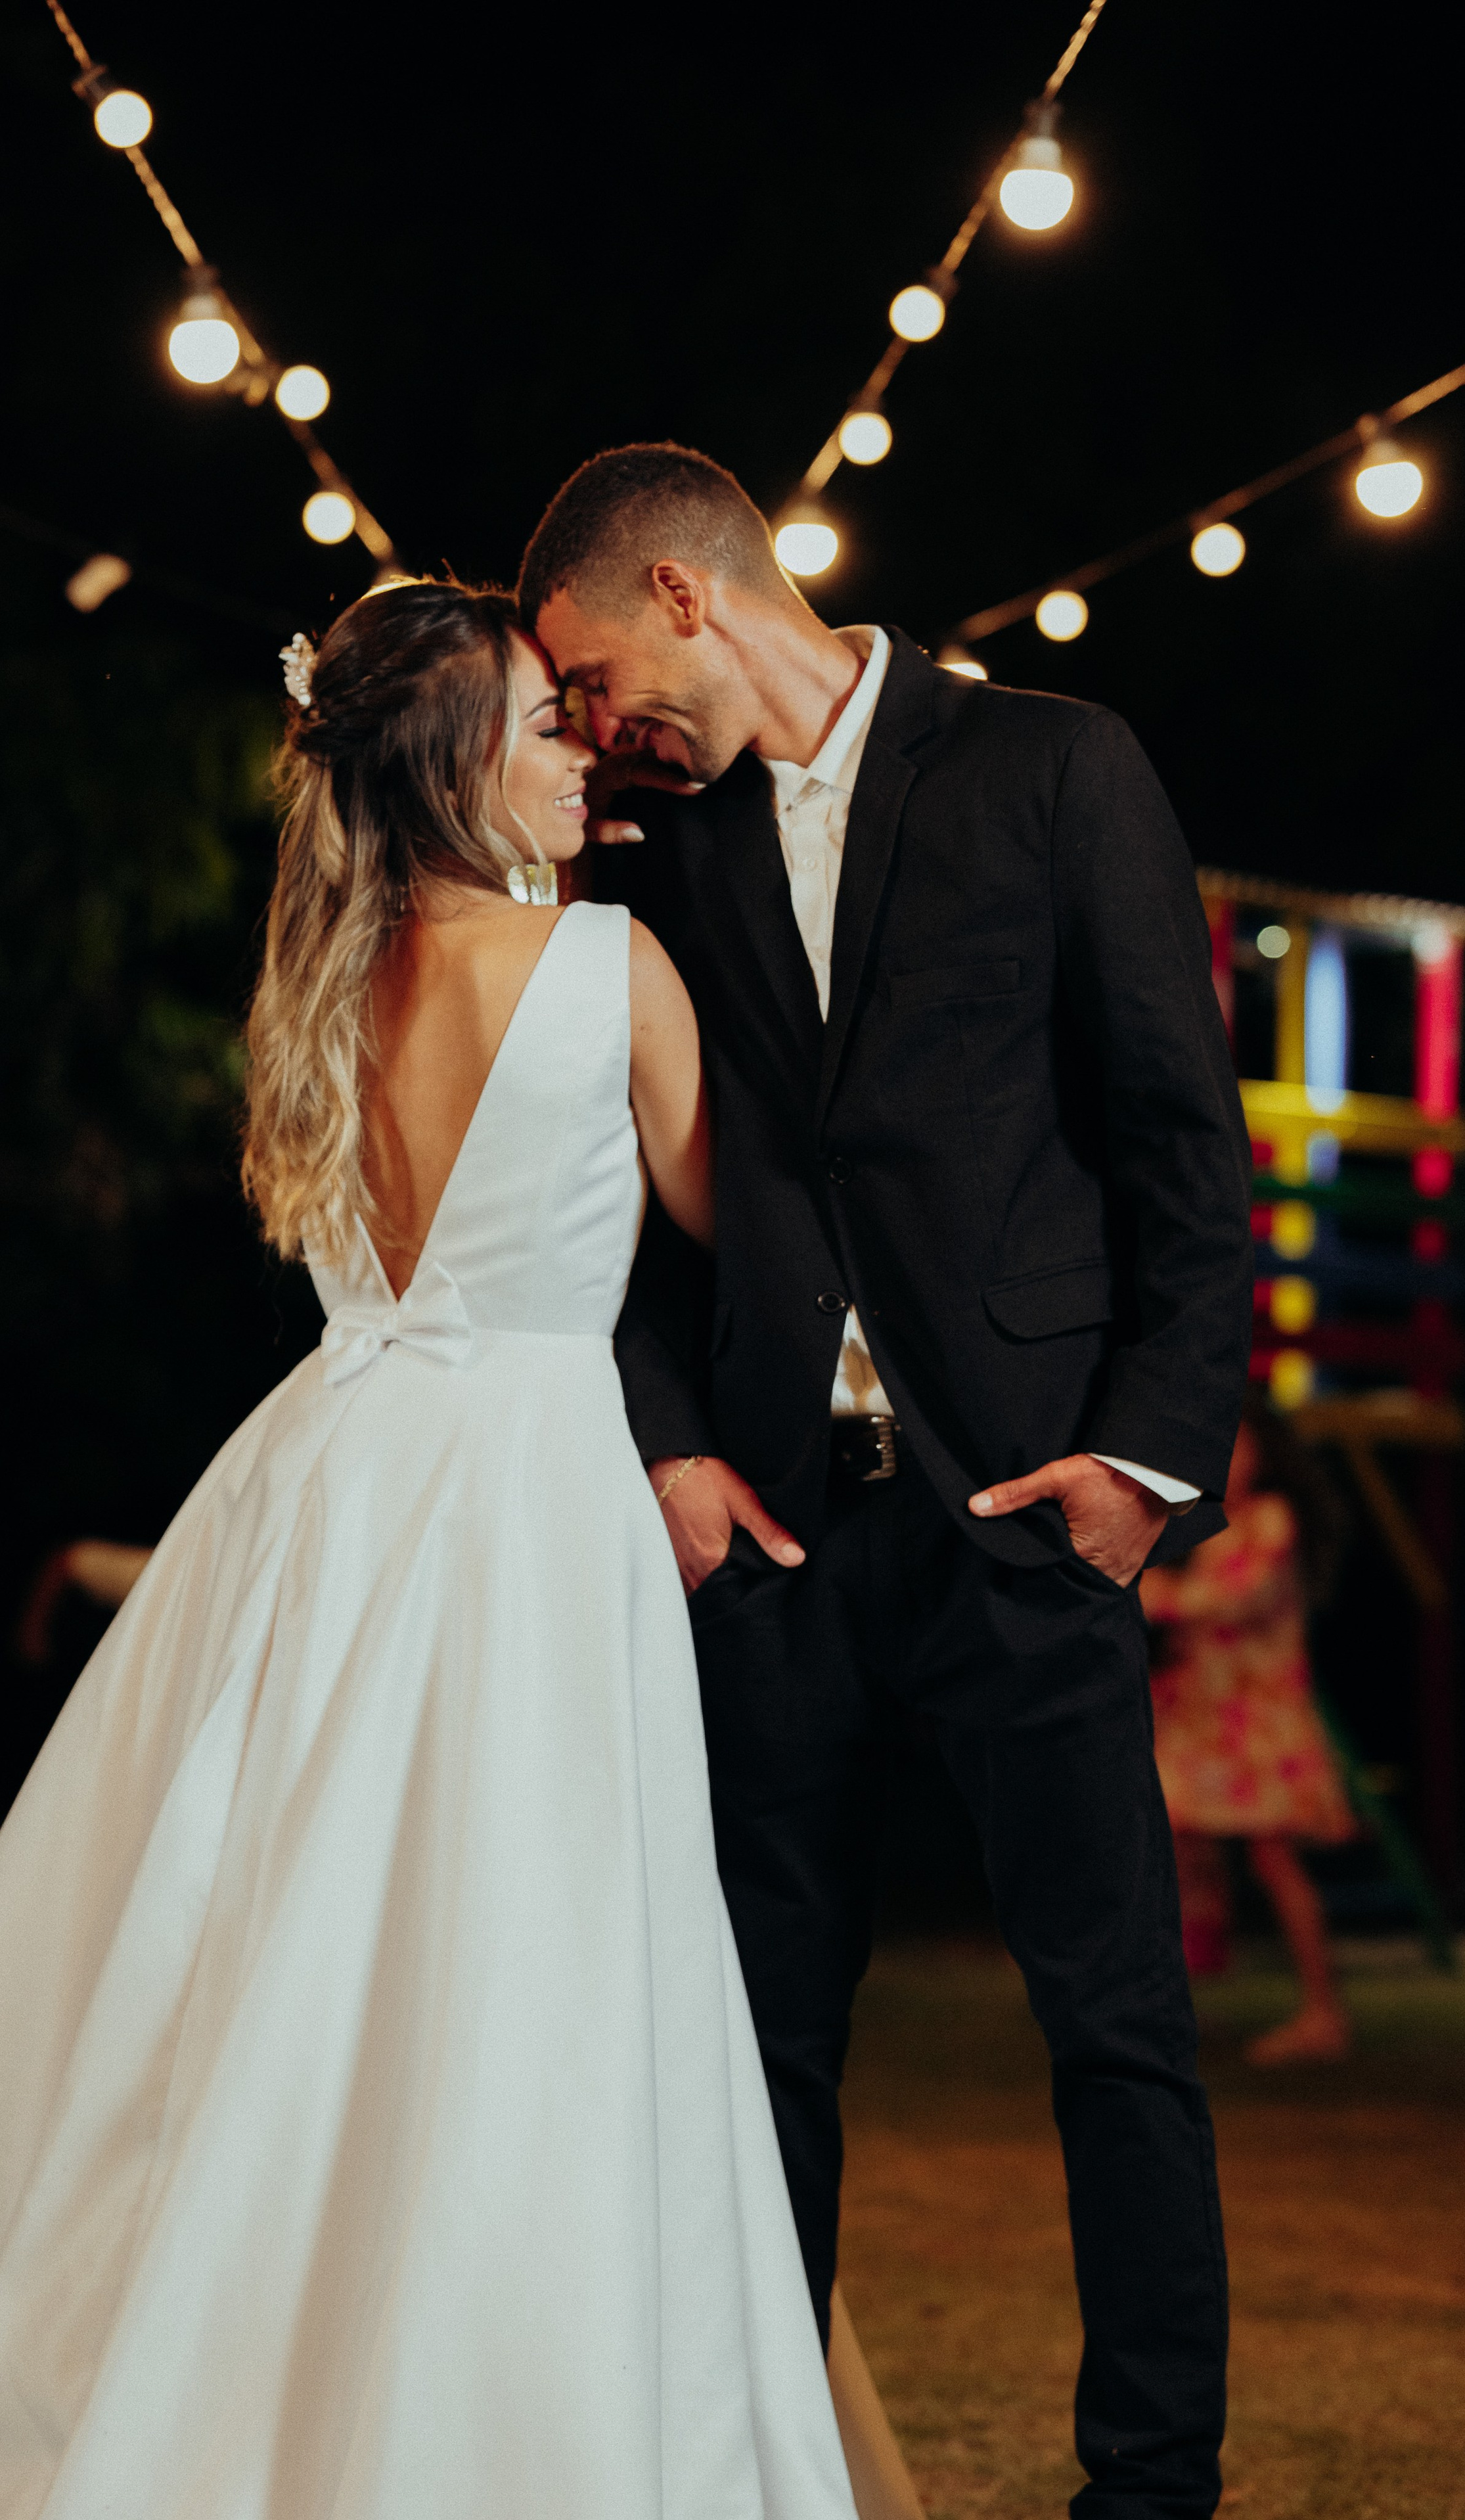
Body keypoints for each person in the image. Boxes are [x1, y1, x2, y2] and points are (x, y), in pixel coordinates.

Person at [0, 581, 867, 2520]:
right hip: (523, 1493)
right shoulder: (605, 968)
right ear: (449, 756)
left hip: (325, 1480)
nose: (581, 753)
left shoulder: (319, 982)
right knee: (517, 1944)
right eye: (545, 722)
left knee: (247, 1938)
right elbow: (750, 1230)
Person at [522, 444, 1255, 2520]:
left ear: (681, 595)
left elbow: (1181, 1155)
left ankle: (1148, 2487)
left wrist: (1133, 1466)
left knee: (1113, 2033)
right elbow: (613, 1203)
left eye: (585, 679)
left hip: (1030, 1517)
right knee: (758, 2056)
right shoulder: (666, 850)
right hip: (771, 1539)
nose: (589, 732)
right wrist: (665, 1439)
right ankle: (761, 2477)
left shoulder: (1054, 765)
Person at [1143, 1389, 1356, 2065]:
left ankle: (1324, 2010)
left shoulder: (1268, 1519)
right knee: (1167, 1852)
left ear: (1264, 1456)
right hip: (1200, 1722)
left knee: (1274, 1858)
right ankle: (1173, 2005)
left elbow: (1234, 1599)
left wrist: (1157, 1595)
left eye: (1236, 1446)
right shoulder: (1207, 1521)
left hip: (1256, 1726)